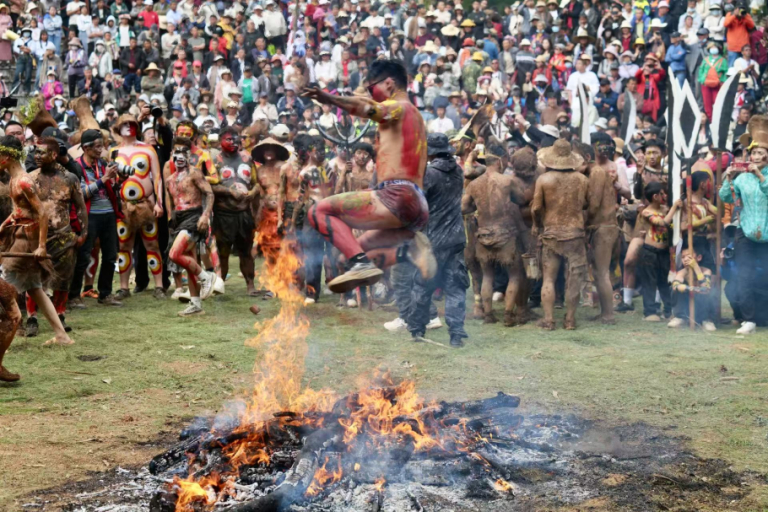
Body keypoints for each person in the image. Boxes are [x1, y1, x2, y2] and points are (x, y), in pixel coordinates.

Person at [302, 59, 436, 293]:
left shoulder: (400, 107)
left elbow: (368, 108)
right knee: (350, 255)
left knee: (317, 211)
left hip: (396, 197)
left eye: (371, 88)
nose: (371, 95)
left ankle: (364, 263)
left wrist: (330, 98)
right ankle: (408, 252)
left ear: (389, 83)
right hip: (416, 206)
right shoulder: (416, 116)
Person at [0, 135, 73, 346]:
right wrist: (5, 223)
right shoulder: (14, 179)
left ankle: (10, 329)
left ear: (7, 156)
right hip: (20, 234)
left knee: (3, 286)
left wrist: (41, 246)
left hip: (26, 240)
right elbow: (21, 210)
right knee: (34, 287)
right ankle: (62, 336)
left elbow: (41, 213)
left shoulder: (23, 181)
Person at [25, 137, 88, 335]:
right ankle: (32, 318)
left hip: (63, 236)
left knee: (63, 278)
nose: (36, 156)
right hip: (36, 237)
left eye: (41, 152)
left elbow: (80, 207)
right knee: (33, 277)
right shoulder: (30, 179)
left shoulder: (69, 178)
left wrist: (83, 233)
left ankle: (60, 314)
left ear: (53, 155)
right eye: (35, 152)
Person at [531, 139, 588, 330]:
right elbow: (586, 204)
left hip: (552, 234)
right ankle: (570, 319)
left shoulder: (544, 180)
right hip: (575, 234)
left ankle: (548, 319)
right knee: (574, 278)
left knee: (548, 278)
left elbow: (536, 208)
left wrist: (536, 225)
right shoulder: (582, 180)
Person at [719, 115, 768, 335]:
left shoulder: (760, 175)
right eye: (754, 152)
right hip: (745, 233)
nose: (756, 156)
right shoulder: (742, 178)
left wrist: (760, 176)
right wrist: (728, 179)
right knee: (744, 275)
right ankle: (749, 320)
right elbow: (726, 198)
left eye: (761, 153)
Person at [111, 114, 165, 300]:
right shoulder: (114, 152)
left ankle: (159, 286)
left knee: (152, 244)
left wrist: (159, 203)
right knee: (124, 245)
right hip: (123, 206)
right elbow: (111, 180)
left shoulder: (148, 149)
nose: (128, 126)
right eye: (124, 124)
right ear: (118, 128)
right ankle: (123, 287)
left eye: (132, 123)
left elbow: (157, 178)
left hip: (145, 204)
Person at [68, 129, 122, 308]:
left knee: (110, 256)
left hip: (108, 214)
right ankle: (73, 296)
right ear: (86, 148)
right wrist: (104, 179)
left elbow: (110, 188)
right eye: (98, 146)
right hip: (89, 216)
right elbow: (81, 194)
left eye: (102, 146)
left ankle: (105, 294)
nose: (101, 150)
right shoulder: (76, 167)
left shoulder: (103, 163)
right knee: (83, 256)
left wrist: (118, 181)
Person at [166, 137, 218, 316]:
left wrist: (205, 215)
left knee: (174, 254)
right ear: (172, 155)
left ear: (190, 156)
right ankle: (196, 304)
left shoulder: (195, 173)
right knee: (189, 262)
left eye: (184, 152)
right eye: (177, 152)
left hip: (194, 217)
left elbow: (209, 194)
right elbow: (173, 204)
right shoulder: (170, 179)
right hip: (179, 220)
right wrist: (171, 222)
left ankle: (206, 277)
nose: (180, 156)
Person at [211, 128, 258, 296]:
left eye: (235, 139)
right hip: (224, 213)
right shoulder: (214, 161)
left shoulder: (247, 159)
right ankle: (219, 285)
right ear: (220, 141)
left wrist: (252, 193)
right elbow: (209, 186)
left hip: (244, 213)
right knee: (223, 252)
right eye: (229, 139)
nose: (233, 142)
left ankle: (250, 285)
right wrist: (229, 191)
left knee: (246, 251)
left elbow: (257, 183)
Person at [635, 182, 681, 321]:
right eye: (662, 193)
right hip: (650, 252)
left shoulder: (665, 209)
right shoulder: (646, 212)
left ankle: (668, 310)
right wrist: (674, 208)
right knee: (649, 282)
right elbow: (662, 223)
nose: (665, 196)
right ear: (655, 196)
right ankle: (650, 312)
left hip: (664, 252)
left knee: (664, 283)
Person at [668, 248, 715, 331]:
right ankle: (680, 317)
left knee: (711, 292)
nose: (685, 259)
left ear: (699, 257)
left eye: (689, 256)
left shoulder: (706, 271)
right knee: (673, 289)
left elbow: (706, 288)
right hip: (688, 307)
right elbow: (675, 286)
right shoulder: (682, 272)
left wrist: (696, 267)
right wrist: (693, 289)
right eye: (683, 257)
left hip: (702, 306)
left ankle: (706, 320)